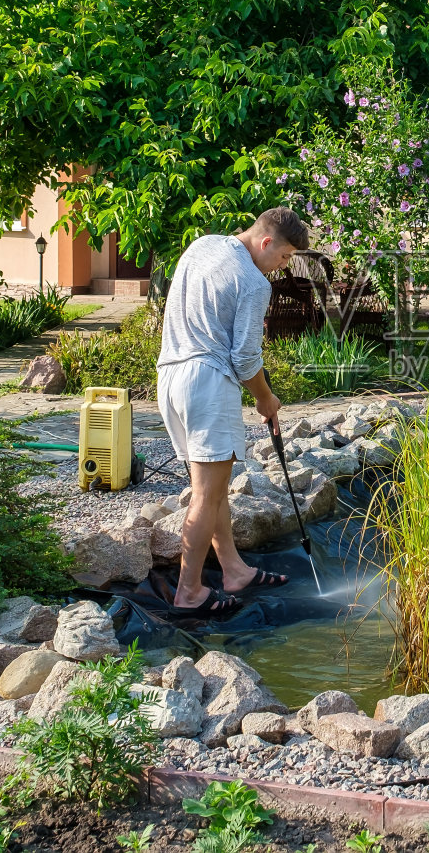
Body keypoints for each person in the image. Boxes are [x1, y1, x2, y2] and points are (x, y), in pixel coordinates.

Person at [157, 207, 309, 616]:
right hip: (207, 382)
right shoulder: (254, 283)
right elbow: (244, 358)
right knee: (206, 494)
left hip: (170, 378)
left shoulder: (202, 246)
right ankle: (189, 592)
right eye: (283, 257)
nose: (282, 267)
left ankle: (233, 570)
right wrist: (266, 398)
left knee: (214, 486)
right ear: (265, 242)